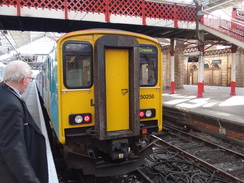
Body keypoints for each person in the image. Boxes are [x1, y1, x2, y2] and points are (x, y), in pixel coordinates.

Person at [0, 60, 48, 183]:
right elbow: (12, 148)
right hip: (8, 174)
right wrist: (30, 179)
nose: (29, 82)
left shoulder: (4, 94)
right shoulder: (11, 105)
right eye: (30, 79)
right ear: (24, 80)